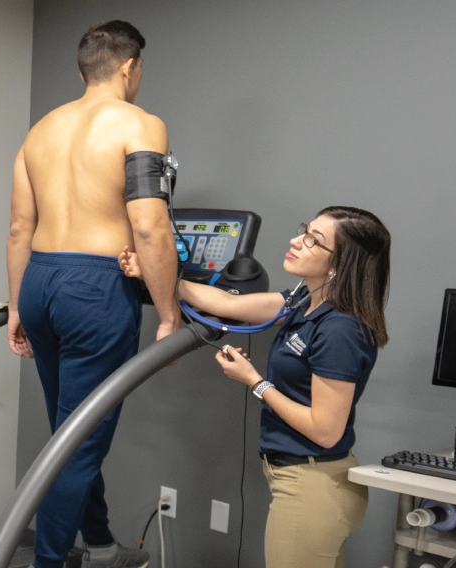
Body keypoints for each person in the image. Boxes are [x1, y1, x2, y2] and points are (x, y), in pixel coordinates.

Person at [120, 207, 390, 568]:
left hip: (313, 483)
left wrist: (255, 382)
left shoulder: (339, 329)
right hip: (299, 478)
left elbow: (325, 431)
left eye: (313, 240)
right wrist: (154, 271)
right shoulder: (301, 303)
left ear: (339, 264)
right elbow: (227, 303)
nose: (297, 241)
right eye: (304, 230)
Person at [5, 20, 182, 568]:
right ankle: (50, 562)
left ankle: (101, 545)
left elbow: (18, 227)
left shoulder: (40, 130)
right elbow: (151, 226)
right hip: (94, 288)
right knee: (78, 444)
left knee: (71, 430)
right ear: (131, 67)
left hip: (39, 280)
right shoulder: (141, 124)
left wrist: (16, 306)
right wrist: (170, 313)